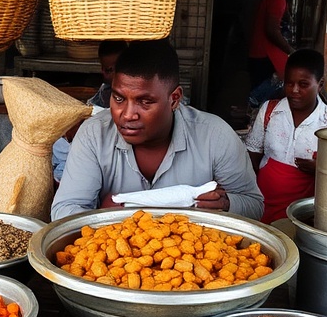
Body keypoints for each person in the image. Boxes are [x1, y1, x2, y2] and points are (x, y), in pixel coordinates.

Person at [52, 40, 263, 221]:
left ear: (175, 99)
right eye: (119, 98)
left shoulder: (215, 136)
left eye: (145, 102)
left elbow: (254, 205)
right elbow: (65, 209)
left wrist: (226, 204)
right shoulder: (93, 135)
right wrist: (104, 218)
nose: (127, 114)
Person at [246, 49, 327, 223]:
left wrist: (320, 168)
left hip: (304, 213)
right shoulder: (270, 111)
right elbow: (253, 155)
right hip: (263, 203)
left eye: (303, 84)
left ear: (320, 84)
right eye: (289, 83)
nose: (294, 90)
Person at [53, 40, 128, 181]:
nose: (108, 74)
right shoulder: (105, 91)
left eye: (112, 69)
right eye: (106, 69)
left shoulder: (132, 94)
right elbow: (91, 107)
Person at [247, 0, 293, 109]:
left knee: (260, 102)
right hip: (266, 56)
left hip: (262, 55)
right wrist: (291, 52)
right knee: (261, 102)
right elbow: (271, 31)